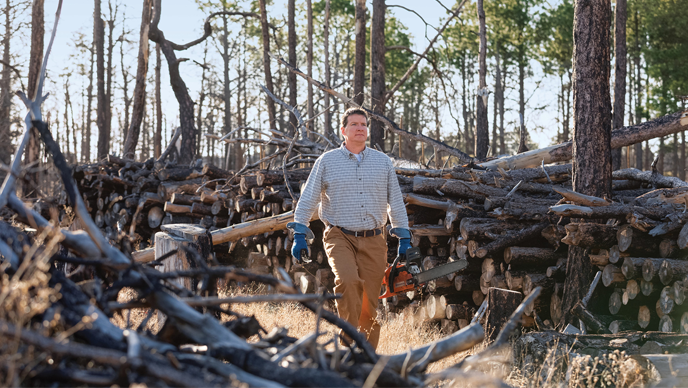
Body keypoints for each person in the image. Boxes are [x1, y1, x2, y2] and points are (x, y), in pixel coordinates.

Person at [287, 107, 411, 349]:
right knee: (348, 281)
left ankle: (365, 359)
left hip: (375, 238)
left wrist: (403, 234)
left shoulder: (383, 162)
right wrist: (299, 232)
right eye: (354, 124)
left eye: (363, 124)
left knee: (369, 302)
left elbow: (395, 200)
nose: (360, 128)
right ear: (343, 131)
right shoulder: (327, 161)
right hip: (339, 235)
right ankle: (347, 349)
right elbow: (309, 197)